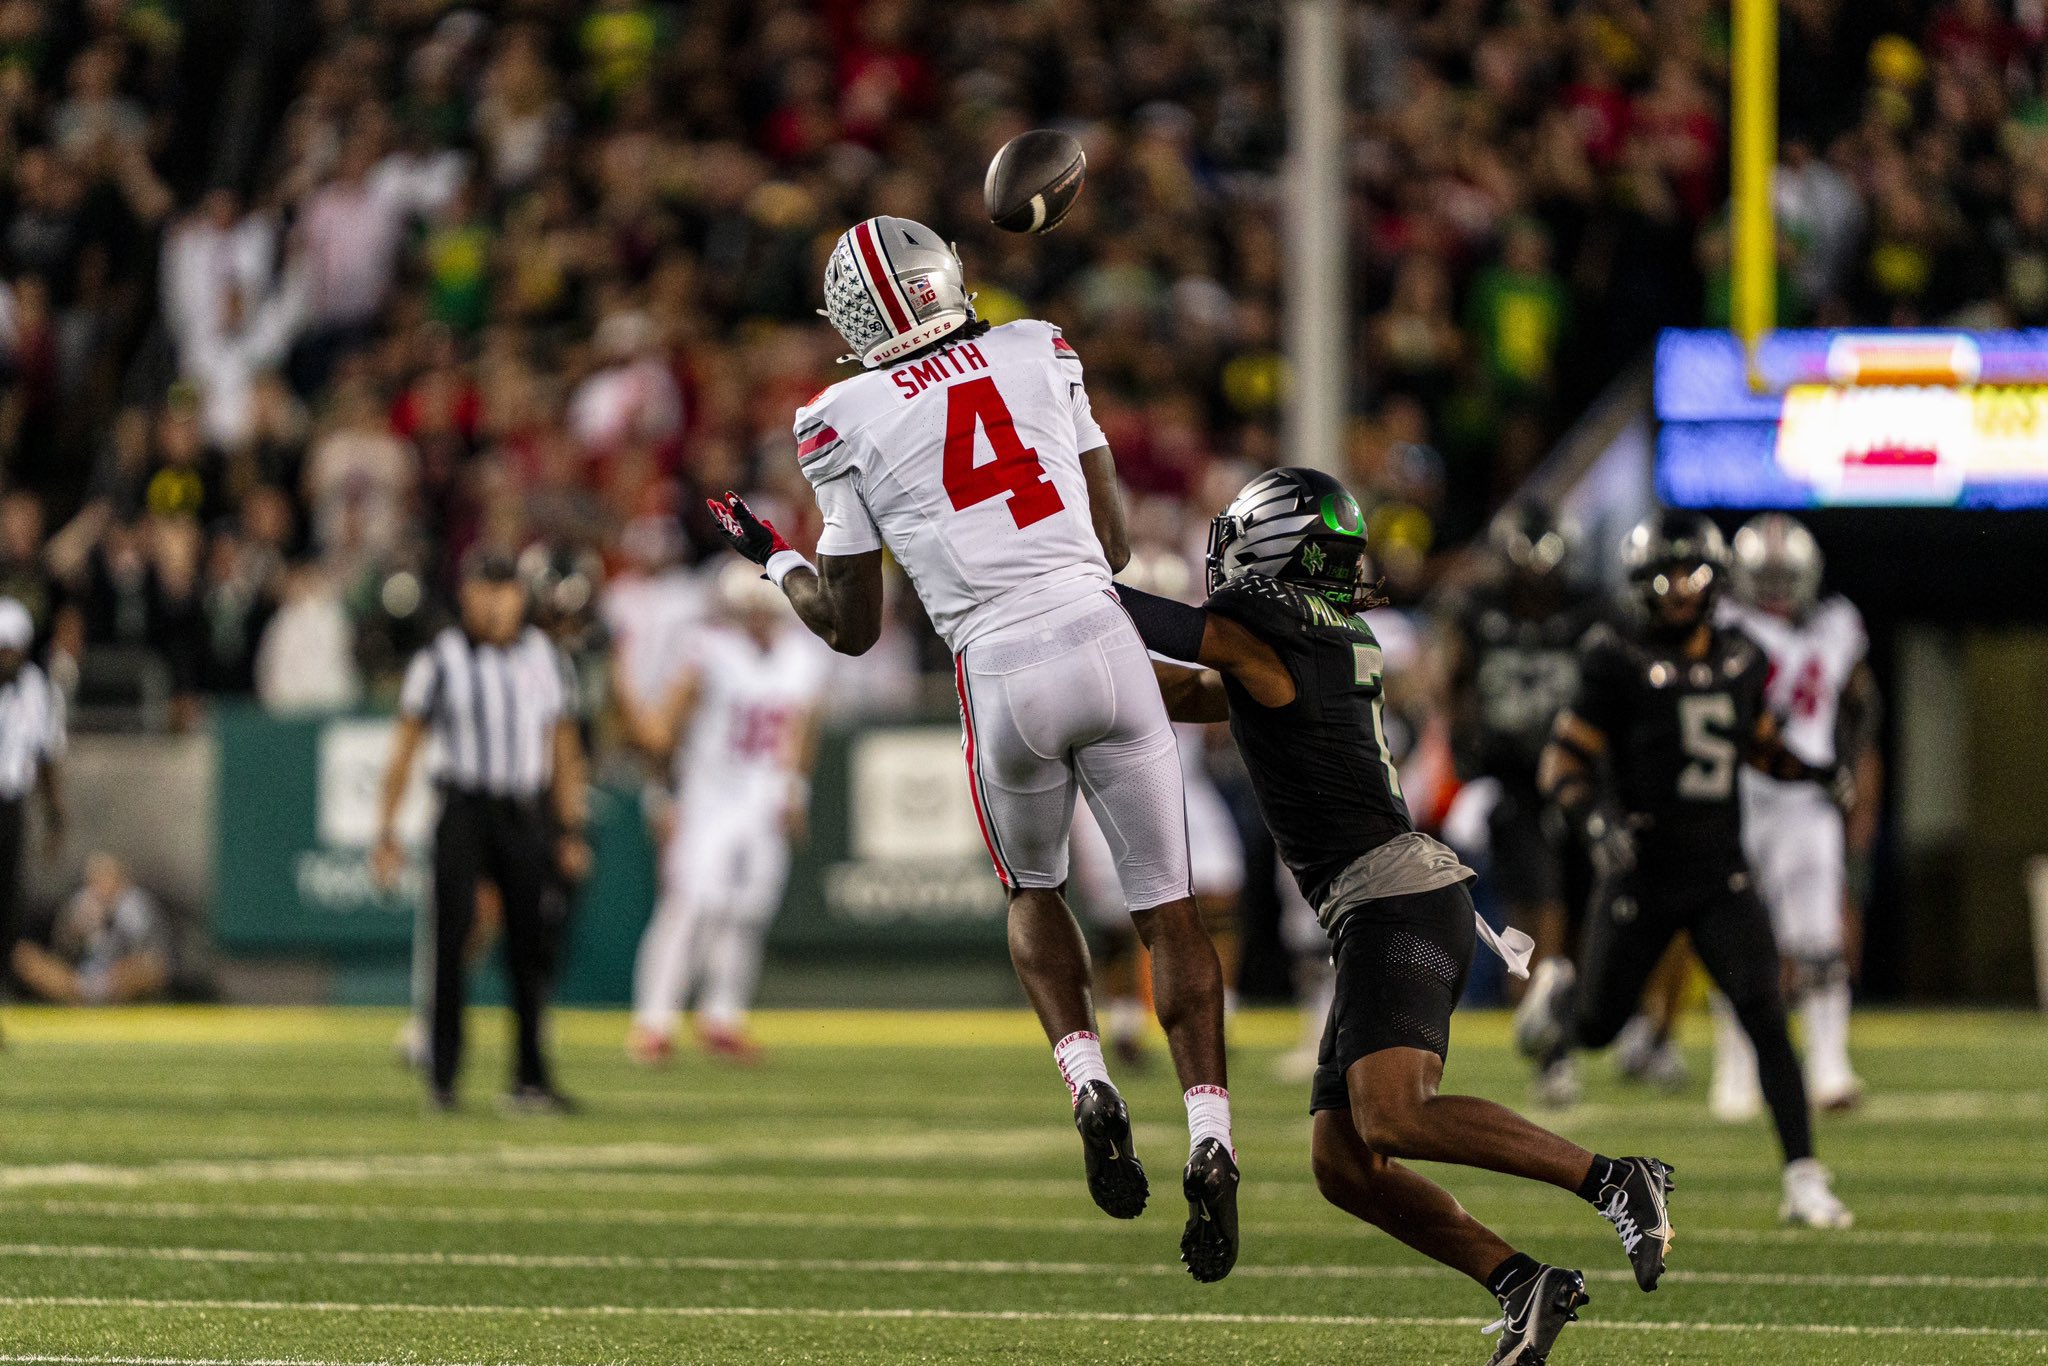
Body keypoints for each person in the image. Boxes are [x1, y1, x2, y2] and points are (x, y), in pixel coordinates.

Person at [707, 215, 1238, 1283]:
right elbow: (1118, 542)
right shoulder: (1038, 344)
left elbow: (849, 625)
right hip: (1104, 633)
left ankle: (1087, 1078)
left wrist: (771, 560)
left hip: (998, 666)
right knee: (1166, 909)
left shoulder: (835, 414)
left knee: (1034, 888)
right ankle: (1211, 1133)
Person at [1115, 468, 1676, 1364]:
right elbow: (1187, 692)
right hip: (1387, 900)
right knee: (1343, 1165)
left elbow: (1173, 632)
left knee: (1394, 1116)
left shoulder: (1281, 624)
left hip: (1394, 900)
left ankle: (1615, 1178)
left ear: (1271, 547)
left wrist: (1056, 583)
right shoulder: (1318, 636)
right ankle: (1521, 1282)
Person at [1523, 510, 1855, 1229]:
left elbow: (1760, 745)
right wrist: (1596, 820)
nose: (1679, 590)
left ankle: (1804, 1177)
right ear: (1640, 584)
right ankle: (1559, 995)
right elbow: (1563, 761)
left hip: (1718, 870)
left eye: (1693, 574)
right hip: (1641, 871)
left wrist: (1815, 773)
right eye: (1664, 576)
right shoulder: (1613, 654)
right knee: (1599, 1029)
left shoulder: (1741, 656)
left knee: (1766, 1014)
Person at [372, 550, 589, 1114]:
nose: (495, 601)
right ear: (466, 594)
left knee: (529, 947)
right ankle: (442, 1079)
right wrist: (386, 831)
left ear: (520, 597)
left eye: (505, 589)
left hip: (523, 809)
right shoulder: (439, 659)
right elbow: (405, 747)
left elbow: (562, 748)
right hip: (463, 807)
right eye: (484, 588)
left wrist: (569, 827)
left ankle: (530, 1079)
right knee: (451, 941)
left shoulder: (546, 657)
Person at [618, 558, 829, 1064]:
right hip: (708, 795)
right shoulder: (707, 653)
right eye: (745, 609)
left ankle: (723, 1015)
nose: (752, 619)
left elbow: (802, 726)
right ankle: (654, 1020)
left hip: (763, 798)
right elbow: (664, 731)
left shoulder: (800, 656)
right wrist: (661, 794)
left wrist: (795, 787)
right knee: (688, 903)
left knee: (748, 910)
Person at [1713, 513, 1881, 1117]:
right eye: (1768, 576)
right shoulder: (1723, 624)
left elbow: (1860, 703)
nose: (1779, 588)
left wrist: (1846, 764)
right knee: (1739, 940)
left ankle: (1830, 1067)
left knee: (1818, 939)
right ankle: (1735, 1071)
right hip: (1739, 796)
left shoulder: (1838, 625)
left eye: (1788, 576)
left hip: (1806, 800)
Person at [1440, 502, 1607, 1106]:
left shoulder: (1592, 612)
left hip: (1583, 780)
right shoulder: (1480, 613)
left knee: (1588, 916)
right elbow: (1455, 684)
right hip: (1512, 779)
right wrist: (1464, 760)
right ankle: (1552, 1050)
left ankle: (1573, 1029)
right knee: (1541, 916)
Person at [0, 596, 67, 1016]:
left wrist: (54, 815)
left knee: (7, 905)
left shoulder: (37, 688)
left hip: (10, 805)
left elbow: (46, 757)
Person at [11, 853, 167, 1005]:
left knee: (153, 968)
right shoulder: (79, 903)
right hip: (77, 979)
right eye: (96, 878)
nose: (102, 884)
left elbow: (151, 955)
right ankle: (78, 1000)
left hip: (119, 978)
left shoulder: (137, 907)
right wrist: (75, 931)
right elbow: (60, 952)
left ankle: (108, 1001)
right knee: (24, 956)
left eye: (108, 877)